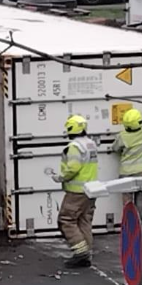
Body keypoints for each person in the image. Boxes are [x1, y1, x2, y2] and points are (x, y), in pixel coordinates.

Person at [51, 115, 99, 268]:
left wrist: (60, 177)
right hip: (91, 189)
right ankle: (86, 254)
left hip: (76, 191)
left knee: (66, 220)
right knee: (84, 221)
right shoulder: (90, 144)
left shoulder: (75, 147)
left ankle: (80, 253)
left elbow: (73, 167)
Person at [111, 93, 142, 203]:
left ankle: (129, 220)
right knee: (140, 200)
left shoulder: (122, 136)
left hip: (125, 172)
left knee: (127, 202)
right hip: (141, 171)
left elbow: (114, 148)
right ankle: (141, 219)